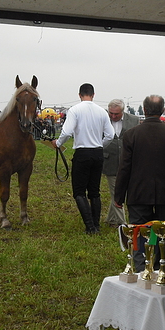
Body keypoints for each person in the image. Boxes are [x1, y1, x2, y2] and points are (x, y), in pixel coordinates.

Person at [114, 94, 165, 271]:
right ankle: (160, 267)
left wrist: (119, 196)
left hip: (138, 193)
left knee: (140, 233)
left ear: (145, 110)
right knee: (163, 235)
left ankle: (142, 269)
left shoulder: (131, 134)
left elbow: (124, 168)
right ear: (162, 111)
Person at [52, 83, 114, 234]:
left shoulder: (75, 110)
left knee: (79, 192)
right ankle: (96, 226)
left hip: (82, 153)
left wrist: (58, 143)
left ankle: (90, 227)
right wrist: (100, 144)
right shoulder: (102, 111)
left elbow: (66, 132)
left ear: (79, 95)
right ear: (93, 95)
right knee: (94, 191)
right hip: (98, 153)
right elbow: (110, 135)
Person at [102, 99, 140, 227]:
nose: (113, 116)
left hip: (129, 162)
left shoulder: (134, 120)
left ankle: (111, 219)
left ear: (123, 112)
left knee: (120, 192)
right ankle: (122, 224)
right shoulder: (102, 119)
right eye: (111, 113)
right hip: (110, 162)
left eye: (116, 114)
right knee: (116, 193)